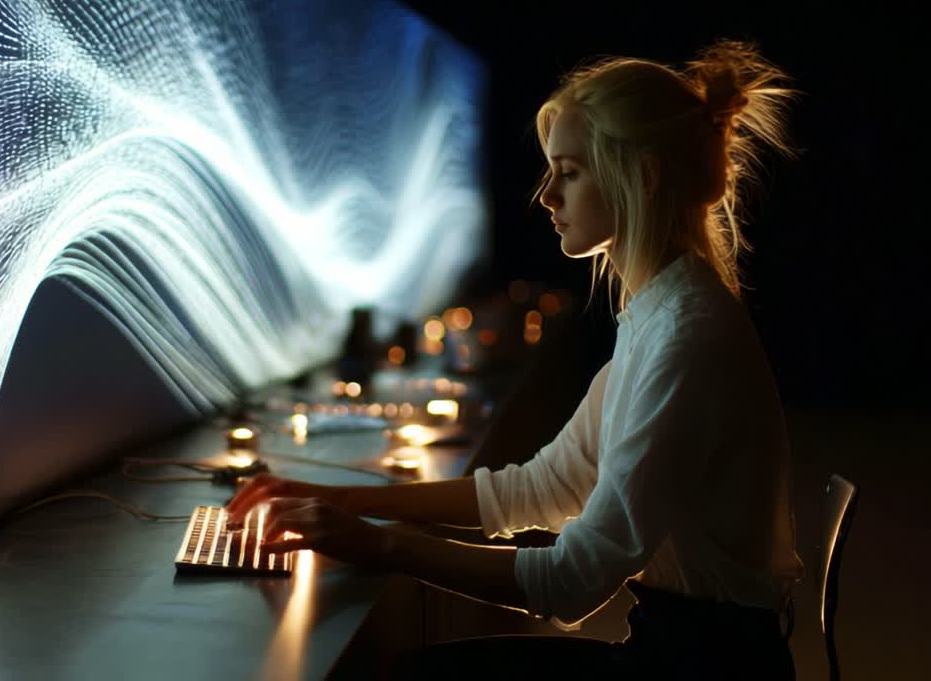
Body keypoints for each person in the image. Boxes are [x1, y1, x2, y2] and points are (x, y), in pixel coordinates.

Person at [226, 39, 804, 680]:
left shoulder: (685, 335)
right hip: (689, 650)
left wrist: (375, 543)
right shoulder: (661, 315)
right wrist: (335, 499)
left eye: (571, 171)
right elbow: (544, 488)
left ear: (641, 176)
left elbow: (573, 581)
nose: (546, 196)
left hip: (705, 667)